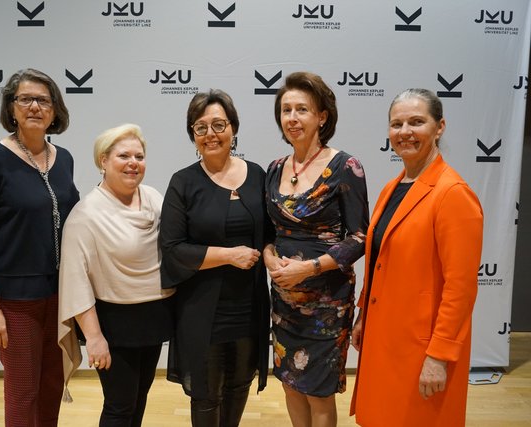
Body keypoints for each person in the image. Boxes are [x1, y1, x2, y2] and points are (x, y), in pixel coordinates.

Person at [349, 89, 484, 426]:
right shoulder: (392, 188)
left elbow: (461, 286)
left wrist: (439, 355)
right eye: (397, 124)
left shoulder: (453, 194)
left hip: (420, 349)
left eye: (416, 122)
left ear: (439, 127)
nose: (404, 131)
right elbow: (381, 260)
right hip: (385, 340)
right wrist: (364, 313)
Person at [0, 68, 79, 426]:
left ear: (54, 109)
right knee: (22, 392)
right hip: (15, 302)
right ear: (11, 108)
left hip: (60, 297)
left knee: (51, 386)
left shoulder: (65, 159)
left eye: (43, 100)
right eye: (24, 99)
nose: (34, 106)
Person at [159, 89, 273, 427]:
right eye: (201, 127)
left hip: (249, 307)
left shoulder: (258, 176)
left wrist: (271, 256)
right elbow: (173, 248)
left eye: (219, 125)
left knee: (239, 386)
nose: (211, 134)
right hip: (202, 310)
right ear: (193, 136)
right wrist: (228, 255)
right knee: (207, 395)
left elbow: (270, 234)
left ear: (234, 129)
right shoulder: (183, 182)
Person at [263, 71, 369, 427]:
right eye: (286, 110)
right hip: (284, 299)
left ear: (322, 116)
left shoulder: (345, 167)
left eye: (302, 109)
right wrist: (269, 259)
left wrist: (308, 269)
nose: (292, 118)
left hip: (327, 302)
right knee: (291, 384)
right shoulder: (275, 167)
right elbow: (267, 231)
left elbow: (358, 238)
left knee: (318, 390)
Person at [58, 124, 175, 427]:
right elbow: (75, 281)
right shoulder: (85, 215)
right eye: (123, 155)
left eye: (139, 155)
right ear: (103, 161)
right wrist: (94, 337)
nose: (133, 162)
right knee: (119, 406)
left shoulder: (153, 198)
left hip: (152, 316)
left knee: (138, 400)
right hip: (113, 325)